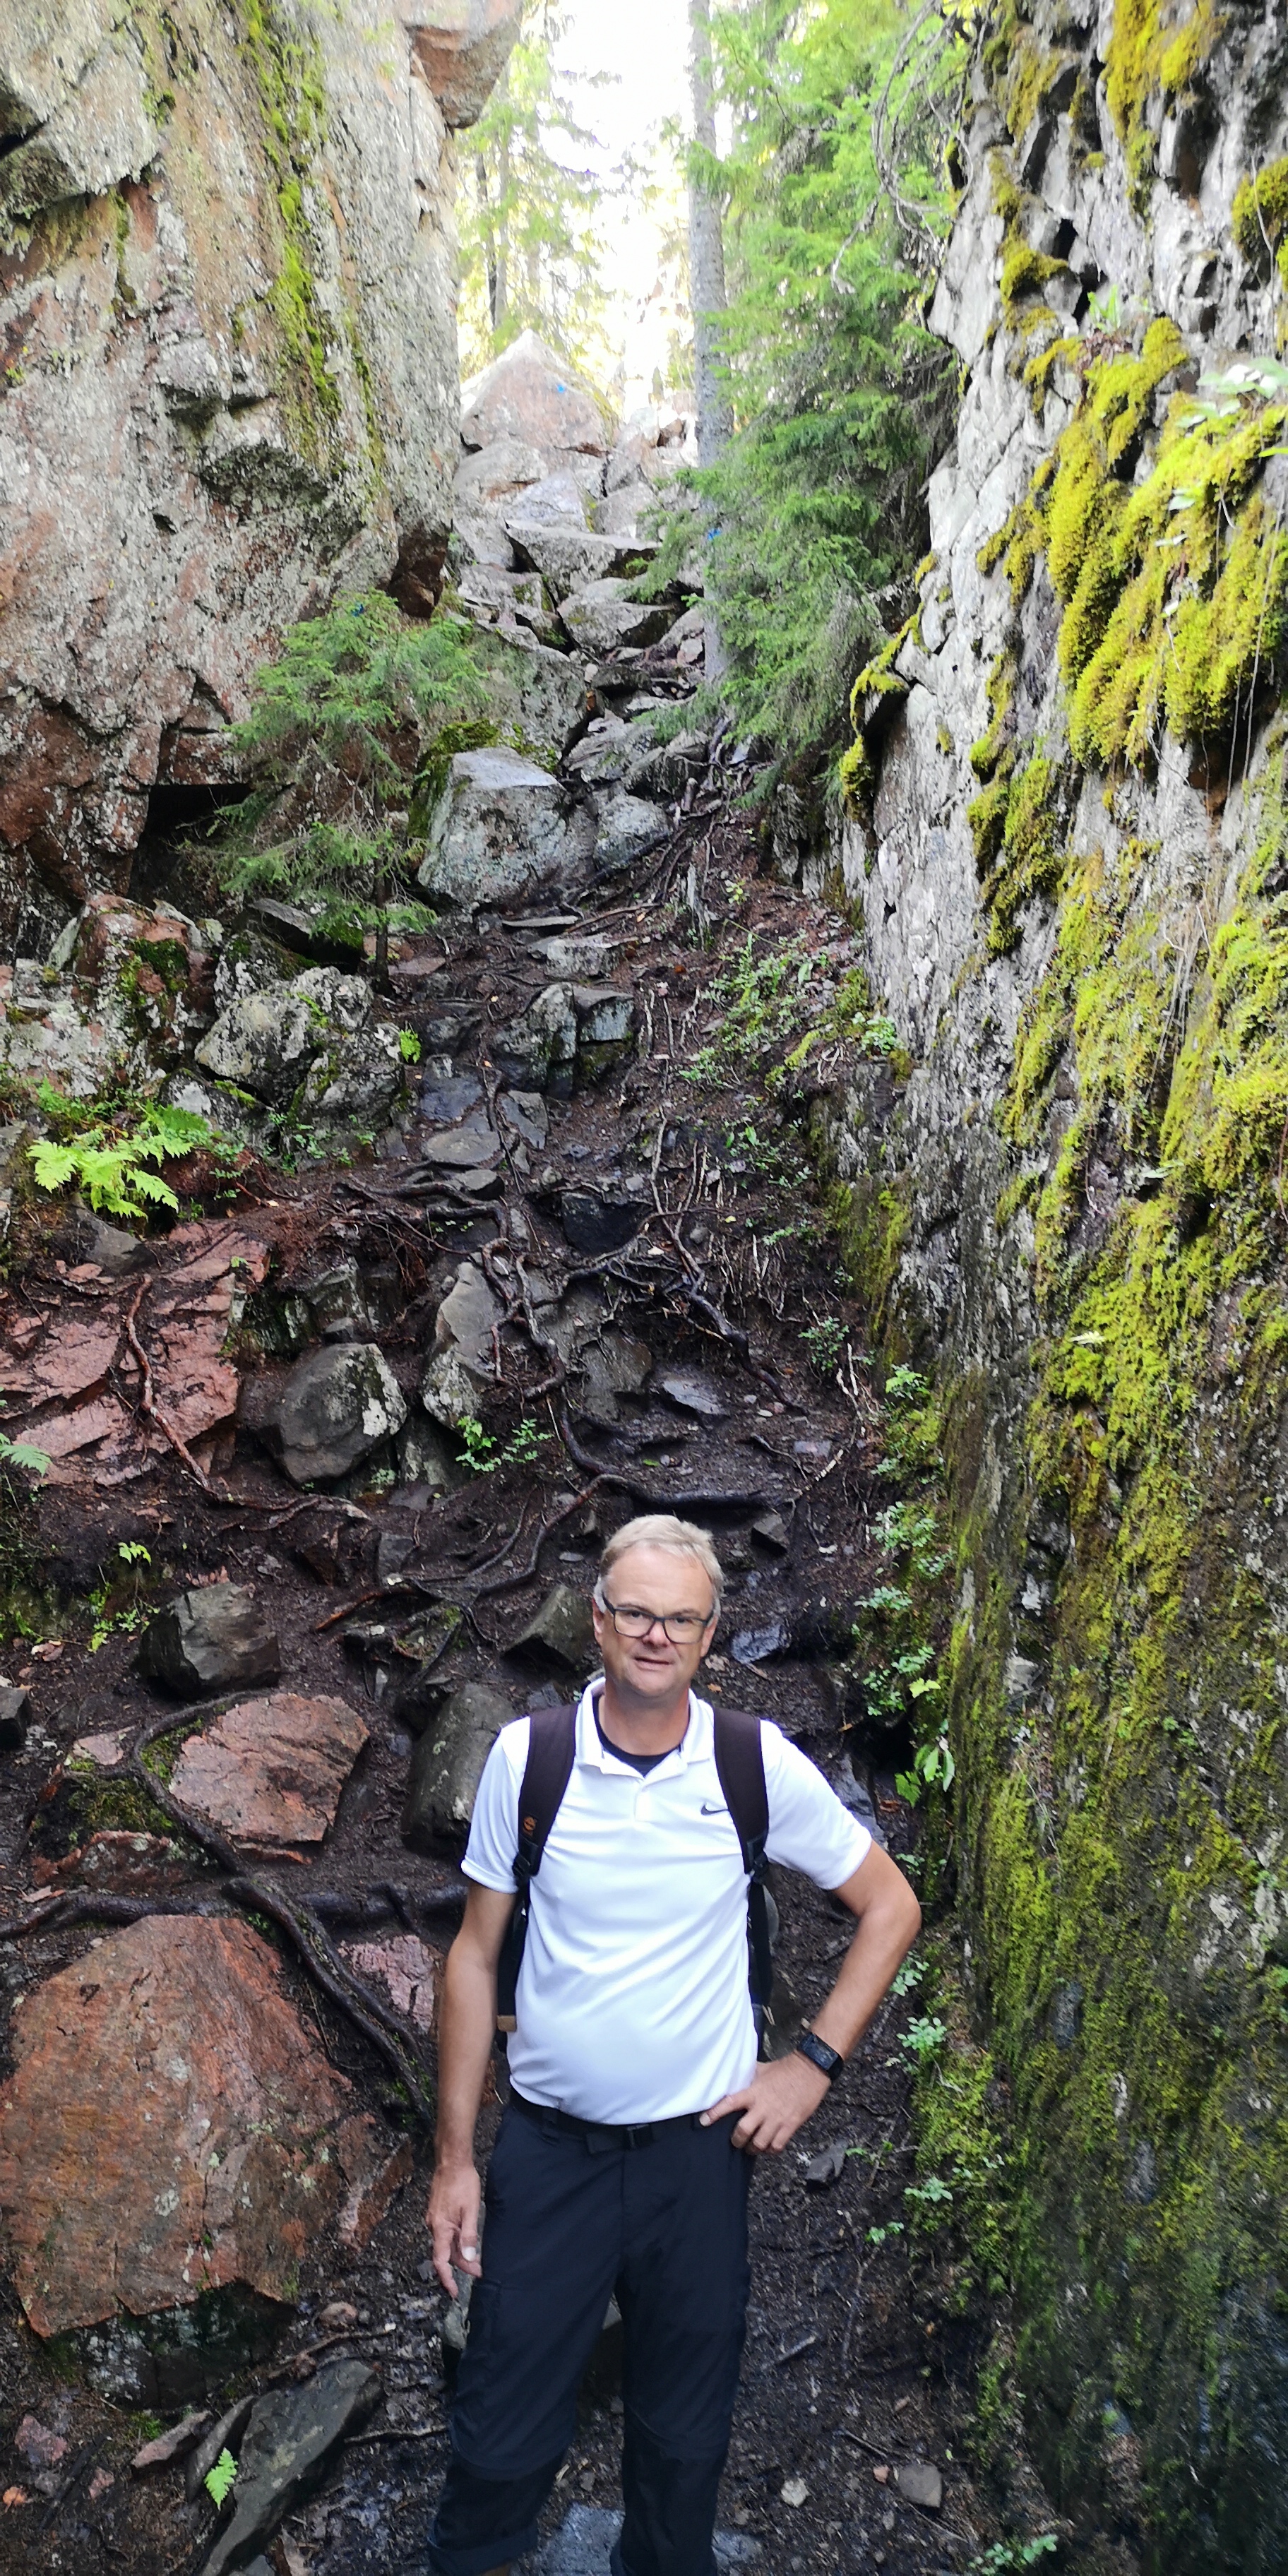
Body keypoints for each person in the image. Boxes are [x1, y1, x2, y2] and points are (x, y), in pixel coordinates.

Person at [425, 1512, 922, 2576]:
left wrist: (812, 2068)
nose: (658, 1635)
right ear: (598, 1621)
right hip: (550, 2153)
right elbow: (472, 1957)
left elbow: (890, 1906)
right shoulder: (531, 1759)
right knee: (500, 2425)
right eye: (637, 1613)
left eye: (682, 1619)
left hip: (697, 2160)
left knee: (683, 2439)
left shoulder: (750, 1763)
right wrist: (456, 2160)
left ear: (709, 1633)